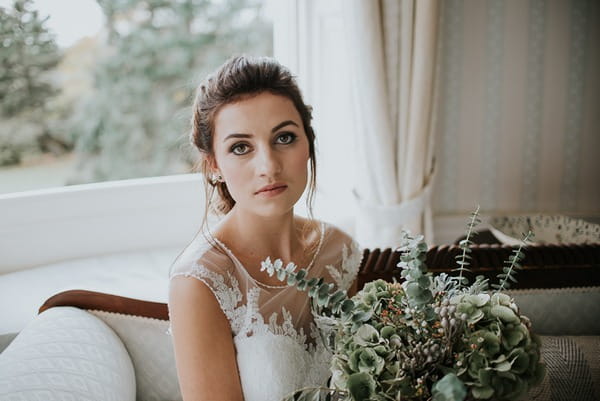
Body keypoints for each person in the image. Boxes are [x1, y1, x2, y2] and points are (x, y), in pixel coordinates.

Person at [167, 55, 363, 401]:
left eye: (284, 138)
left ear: (308, 142)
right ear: (214, 165)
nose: (268, 166)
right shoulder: (198, 283)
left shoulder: (340, 249)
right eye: (241, 148)